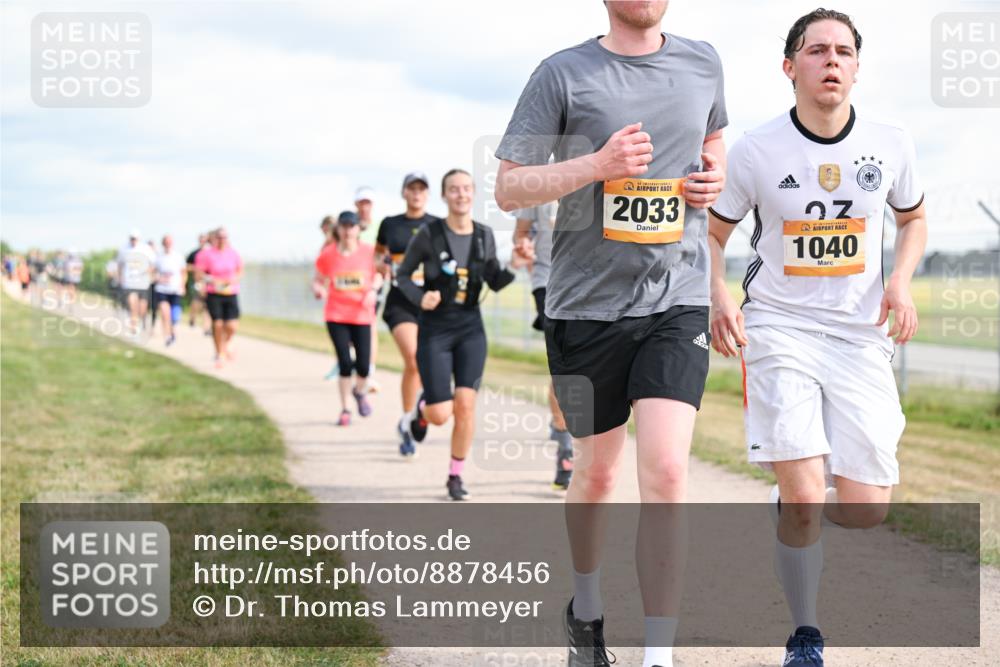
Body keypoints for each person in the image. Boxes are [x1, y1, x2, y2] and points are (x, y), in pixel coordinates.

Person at [494, 1, 728, 665]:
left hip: (674, 299)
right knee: (596, 474)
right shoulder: (562, 73)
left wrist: (713, 178)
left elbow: (713, 150)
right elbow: (510, 189)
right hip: (583, 308)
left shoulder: (703, 61)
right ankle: (587, 611)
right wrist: (597, 165)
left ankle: (658, 653)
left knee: (666, 467)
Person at [707, 10, 927, 667]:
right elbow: (712, 235)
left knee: (865, 512)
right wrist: (719, 293)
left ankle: (795, 489)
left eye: (843, 52)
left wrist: (903, 282)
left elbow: (912, 219)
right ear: (790, 66)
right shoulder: (757, 149)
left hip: (860, 335)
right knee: (805, 498)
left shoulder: (891, 142)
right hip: (779, 325)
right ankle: (805, 632)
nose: (831, 61)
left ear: (857, 68)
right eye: (816, 50)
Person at [396, 169, 519, 500]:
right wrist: (421, 296)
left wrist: (515, 266)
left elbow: (494, 280)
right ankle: (420, 414)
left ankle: (455, 476)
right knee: (440, 414)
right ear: (444, 195)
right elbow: (402, 275)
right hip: (435, 329)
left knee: (466, 405)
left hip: (470, 328)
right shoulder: (428, 234)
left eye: (466, 188)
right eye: (454, 189)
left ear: (474, 193)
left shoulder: (484, 235)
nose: (461, 194)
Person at [375, 172, 441, 456]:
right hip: (400, 302)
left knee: (432, 363)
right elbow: (378, 254)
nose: (416, 194)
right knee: (414, 359)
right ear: (404, 193)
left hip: (430, 303)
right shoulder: (390, 224)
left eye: (421, 190)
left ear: (427, 195)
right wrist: (382, 265)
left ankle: (417, 413)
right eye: (411, 189)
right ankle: (407, 420)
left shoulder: (437, 225)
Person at [510, 201, 574, 490]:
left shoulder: (605, 169)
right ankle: (565, 446)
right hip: (547, 281)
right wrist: (523, 246)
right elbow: (521, 232)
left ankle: (566, 429)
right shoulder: (539, 182)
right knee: (566, 366)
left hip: (593, 283)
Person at [313, 210, 383, 426]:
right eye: (343, 226)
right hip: (336, 314)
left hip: (362, 315)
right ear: (338, 229)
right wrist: (319, 289)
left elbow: (380, 275)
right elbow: (317, 279)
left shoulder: (369, 252)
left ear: (358, 229)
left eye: (351, 226)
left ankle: (360, 392)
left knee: (363, 365)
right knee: (344, 362)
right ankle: (345, 410)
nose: (347, 230)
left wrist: (373, 290)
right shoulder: (328, 254)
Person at [195, 227, 243, 368]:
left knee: (232, 326)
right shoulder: (206, 254)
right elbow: (199, 274)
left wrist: (234, 279)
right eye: (219, 237)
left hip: (230, 292)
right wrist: (210, 279)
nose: (222, 239)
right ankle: (219, 353)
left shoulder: (233, 253)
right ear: (214, 238)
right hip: (213, 293)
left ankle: (225, 344)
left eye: (225, 237)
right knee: (217, 323)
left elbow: (240, 271)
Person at [116, 229, 156, 336]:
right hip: (129, 283)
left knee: (142, 309)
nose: (133, 240)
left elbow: (153, 265)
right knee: (132, 305)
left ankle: (141, 320)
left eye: (135, 238)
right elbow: (120, 265)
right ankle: (134, 329)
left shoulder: (146, 249)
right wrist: (120, 278)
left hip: (143, 284)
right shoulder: (124, 249)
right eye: (132, 238)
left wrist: (146, 273)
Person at [154, 234, 187, 346]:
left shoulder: (178, 256)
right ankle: (167, 336)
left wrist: (182, 285)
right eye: (166, 242)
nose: (168, 244)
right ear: (163, 244)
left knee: (174, 316)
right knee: (164, 312)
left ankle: (173, 332)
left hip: (175, 289)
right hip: (162, 289)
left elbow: (183, 273)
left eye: (170, 242)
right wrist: (158, 278)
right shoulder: (158, 257)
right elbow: (151, 272)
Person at [186, 233, 211, 335]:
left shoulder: (211, 253)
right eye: (201, 240)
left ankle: (206, 328)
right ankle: (192, 317)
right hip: (197, 282)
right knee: (196, 302)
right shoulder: (194, 254)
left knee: (207, 305)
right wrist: (195, 268)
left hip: (208, 282)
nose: (203, 242)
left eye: (205, 240)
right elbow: (186, 267)